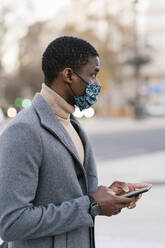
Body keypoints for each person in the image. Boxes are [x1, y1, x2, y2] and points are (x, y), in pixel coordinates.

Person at [0, 36, 151, 248]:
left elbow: (72, 195)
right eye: (93, 74)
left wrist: (109, 196)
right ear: (69, 75)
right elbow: (12, 223)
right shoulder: (24, 130)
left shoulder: (72, 124)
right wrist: (92, 205)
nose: (97, 84)